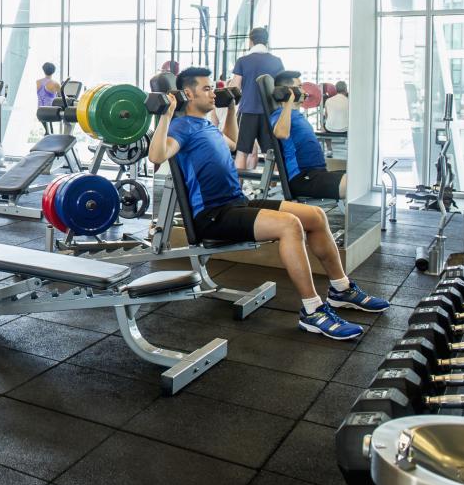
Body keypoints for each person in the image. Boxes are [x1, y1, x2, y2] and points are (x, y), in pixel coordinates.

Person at [147, 67, 388, 341]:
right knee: (290, 225)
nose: (213, 93)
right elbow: (157, 155)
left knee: (315, 215)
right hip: (213, 216)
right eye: (207, 89)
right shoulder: (181, 127)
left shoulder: (206, 125)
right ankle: (312, 311)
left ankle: (341, 289)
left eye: (213, 88)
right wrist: (166, 114)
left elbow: (234, 143)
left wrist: (232, 106)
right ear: (187, 94)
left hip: (236, 203)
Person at [270, 71, 347, 200]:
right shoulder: (278, 115)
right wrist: (289, 101)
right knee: (353, 185)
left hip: (317, 174)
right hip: (302, 177)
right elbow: (281, 133)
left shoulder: (297, 115)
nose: (304, 91)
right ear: (288, 91)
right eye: (299, 87)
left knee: (359, 178)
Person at [229, 28, 284, 170]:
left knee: (242, 153)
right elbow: (281, 87)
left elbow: (234, 87)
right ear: (266, 41)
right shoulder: (277, 61)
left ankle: (238, 184)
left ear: (250, 41)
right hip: (270, 113)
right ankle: (274, 184)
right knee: (271, 154)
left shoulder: (243, 61)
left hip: (248, 111)